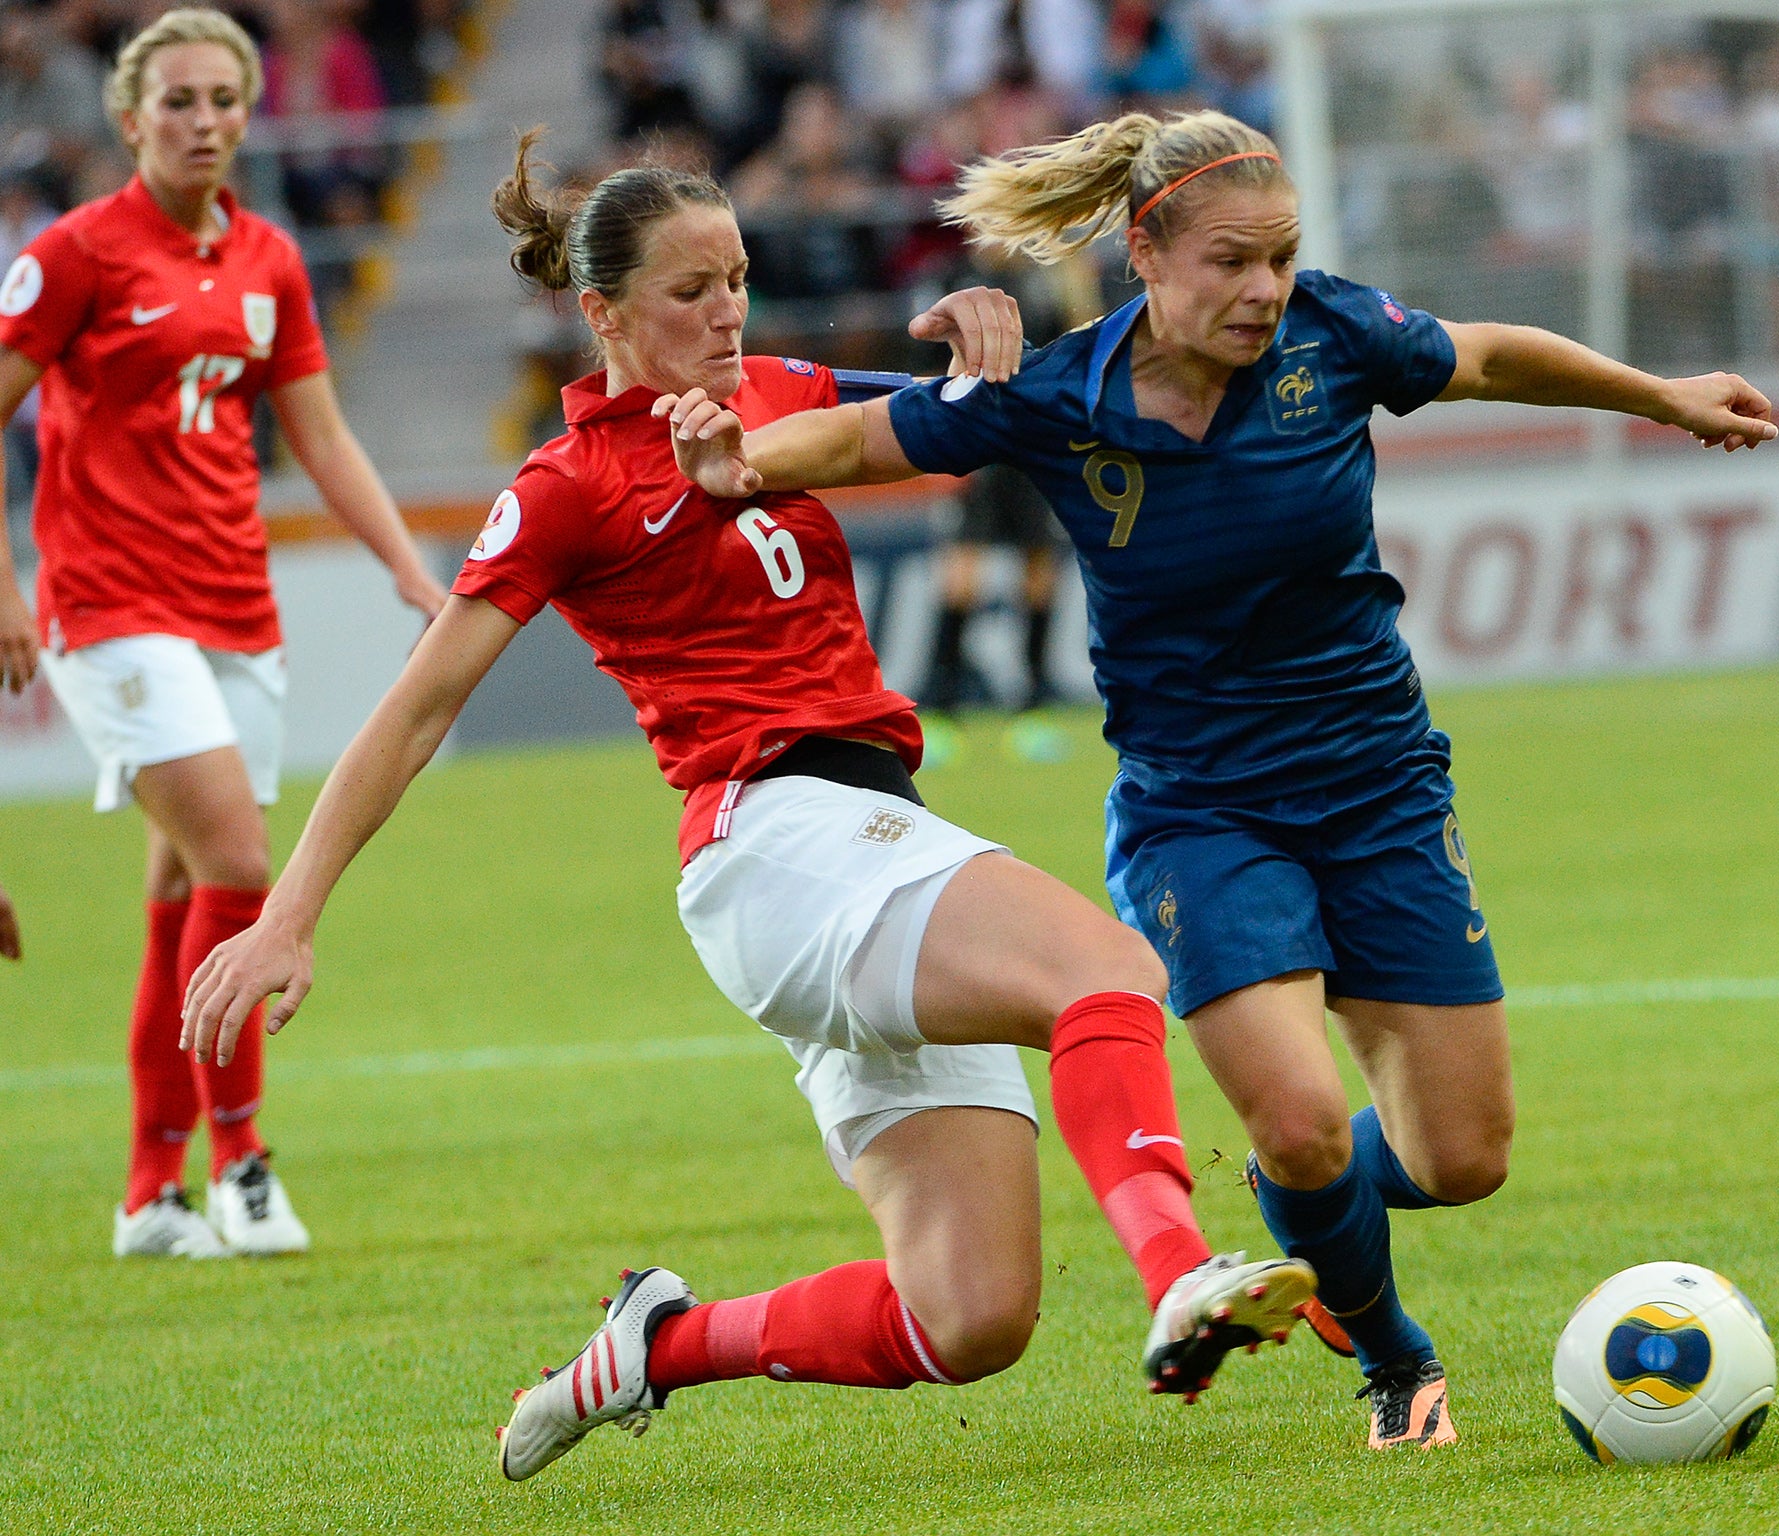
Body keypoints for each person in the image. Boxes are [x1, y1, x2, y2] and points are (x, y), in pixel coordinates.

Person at [180, 132, 1314, 1484]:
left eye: (736, 280)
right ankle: (1181, 1273)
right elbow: (415, 710)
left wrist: (978, 339)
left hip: (871, 843)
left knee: (971, 1317)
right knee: (1104, 970)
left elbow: (972, 417)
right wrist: (288, 919)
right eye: (687, 292)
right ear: (600, 315)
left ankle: (654, 1345)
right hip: (775, 845)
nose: (725, 312)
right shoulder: (565, 489)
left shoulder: (779, 389)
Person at [659, 107, 1779, 1450]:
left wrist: (1661, 396)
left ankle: (1300, 1197)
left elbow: (1484, 356)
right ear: (1148, 252)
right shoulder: (1059, 398)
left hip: (1380, 788)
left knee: (1464, 1158)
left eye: (1281, 258)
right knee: (1308, 1124)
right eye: (1231, 263)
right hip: (1201, 814)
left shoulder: (1335, 333)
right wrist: (742, 467)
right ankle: (1393, 1357)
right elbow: (860, 443)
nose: (1262, 290)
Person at [0, 8, 446, 1261]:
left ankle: (150, 1195)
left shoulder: (267, 258)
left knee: (184, 895)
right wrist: (3, 583)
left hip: (235, 608)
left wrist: (411, 572)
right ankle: (244, 1163)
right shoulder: (76, 255)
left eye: (223, 101)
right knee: (243, 865)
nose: (204, 123)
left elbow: (320, 436)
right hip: (106, 608)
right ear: (130, 117)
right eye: (179, 102)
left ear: (250, 112)